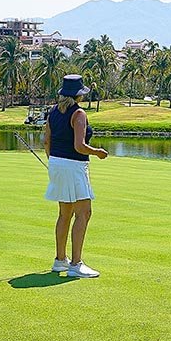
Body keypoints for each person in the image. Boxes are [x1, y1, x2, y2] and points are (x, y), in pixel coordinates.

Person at [43, 74, 108, 278]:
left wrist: (55, 162)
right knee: (84, 213)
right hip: (74, 166)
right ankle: (76, 264)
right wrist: (98, 152)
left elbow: (47, 142)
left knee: (65, 213)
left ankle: (60, 261)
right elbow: (79, 146)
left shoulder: (52, 112)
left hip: (56, 164)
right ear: (79, 95)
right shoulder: (78, 114)